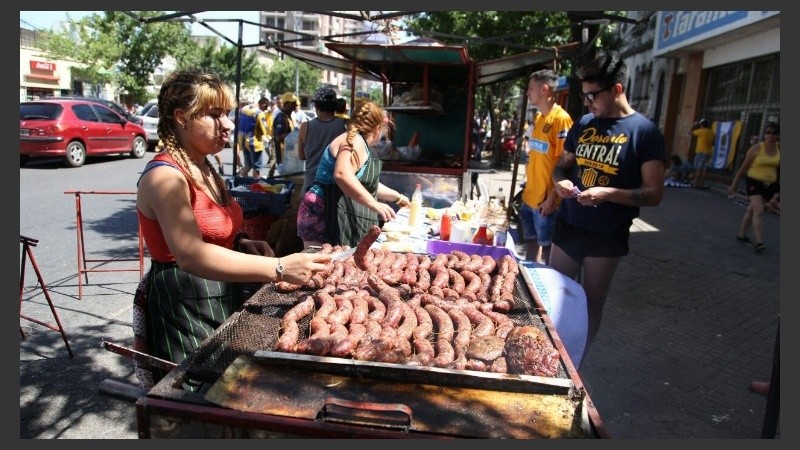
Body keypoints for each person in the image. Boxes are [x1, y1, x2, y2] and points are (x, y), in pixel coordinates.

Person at [135, 70, 331, 386]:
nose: (228, 124)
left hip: (218, 291)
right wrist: (279, 267)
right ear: (182, 117)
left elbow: (212, 227)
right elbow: (190, 255)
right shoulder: (165, 178)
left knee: (224, 380)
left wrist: (240, 240)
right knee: (197, 391)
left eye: (227, 113)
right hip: (185, 302)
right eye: (215, 115)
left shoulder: (204, 167)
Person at [550, 53, 665, 360]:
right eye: (584, 96)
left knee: (589, 306)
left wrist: (609, 193)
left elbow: (654, 193)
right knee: (550, 300)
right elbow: (561, 167)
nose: (588, 104)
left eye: (592, 96)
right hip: (568, 227)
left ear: (616, 90)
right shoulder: (584, 124)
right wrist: (559, 183)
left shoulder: (644, 132)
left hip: (606, 237)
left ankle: (576, 366)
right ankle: (548, 356)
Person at [296, 100, 411, 249]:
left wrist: (398, 197)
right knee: (317, 265)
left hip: (330, 210)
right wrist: (374, 204)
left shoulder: (359, 143)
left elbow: (365, 184)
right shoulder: (354, 141)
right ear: (378, 128)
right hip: (321, 211)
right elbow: (342, 174)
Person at [519, 69, 574, 264]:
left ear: (544, 89)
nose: (528, 93)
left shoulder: (561, 119)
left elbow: (566, 164)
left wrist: (552, 198)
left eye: (531, 88)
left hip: (547, 202)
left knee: (549, 253)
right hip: (530, 197)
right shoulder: (539, 118)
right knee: (530, 248)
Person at [727, 123, 780, 253]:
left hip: (769, 184)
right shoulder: (756, 148)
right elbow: (743, 168)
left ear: (778, 135)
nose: (770, 135)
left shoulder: (780, 149)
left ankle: (741, 234)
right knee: (759, 210)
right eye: (767, 132)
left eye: (773, 133)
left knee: (751, 210)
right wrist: (734, 184)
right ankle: (759, 242)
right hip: (754, 181)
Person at [297, 87, 346, 196]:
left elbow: (301, 156)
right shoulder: (343, 126)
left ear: (316, 105)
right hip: (335, 186)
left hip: (311, 185)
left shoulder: (305, 126)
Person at [270, 92, 298, 178]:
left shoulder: (287, 116)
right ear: (286, 104)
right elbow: (278, 138)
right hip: (283, 158)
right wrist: (294, 135)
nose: (295, 105)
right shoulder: (281, 118)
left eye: (295, 102)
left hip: (289, 157)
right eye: (292, 103)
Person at [236, 99, 260, 177]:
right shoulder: (255, 112)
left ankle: (240, 179)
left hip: (242, 139)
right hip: (253, 140)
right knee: (256, 166)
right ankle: (256, 184)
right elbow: (262, 127)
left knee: (248, 165)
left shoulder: (241, 113)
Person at [690, 118, 715, 189]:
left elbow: (690, 132)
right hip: (708, 153)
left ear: (701, 125)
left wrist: (693, 125)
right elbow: (713, 143)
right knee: (704, 168)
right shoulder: (712, 133)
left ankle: (695, 181)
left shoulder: (701, 131)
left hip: (700, 152)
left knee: (698, 167)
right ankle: (702, 183)